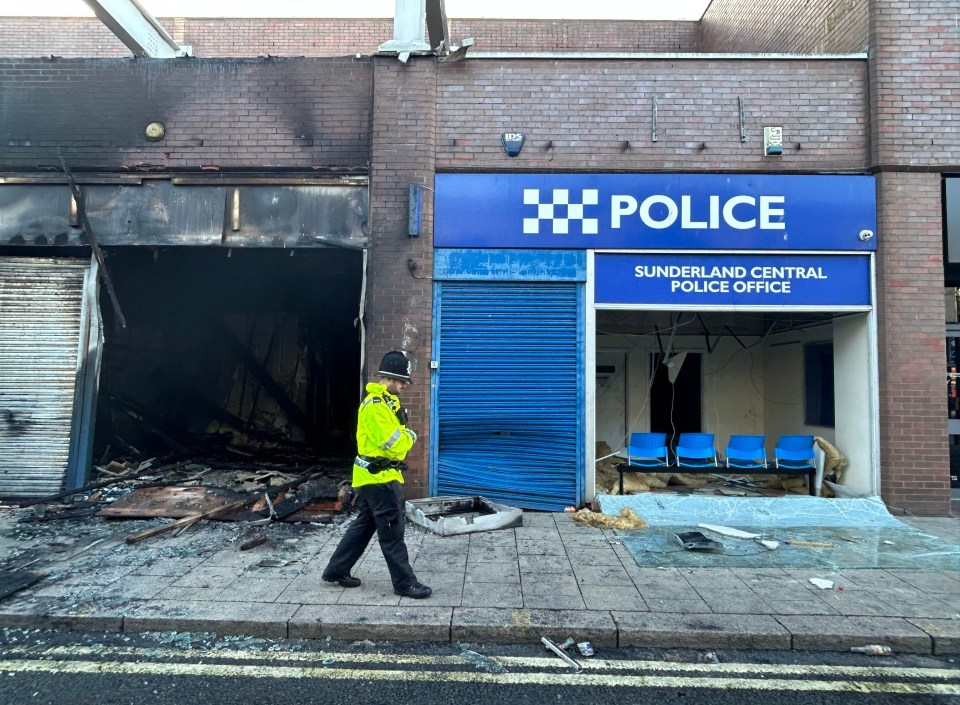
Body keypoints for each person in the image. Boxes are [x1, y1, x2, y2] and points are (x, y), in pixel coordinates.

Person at [321, 351, 432, 599]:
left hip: (373, 477)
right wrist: (409, 437)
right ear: (390, 379)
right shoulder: (376, 406)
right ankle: (404, 583)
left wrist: (402, 431)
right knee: (392, 532)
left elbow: (394, 435)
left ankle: (336, 570)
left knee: (363, 526)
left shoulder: (386, 403)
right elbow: (392, 443)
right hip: (380, 479)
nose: (404, 386)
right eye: (402, 381)